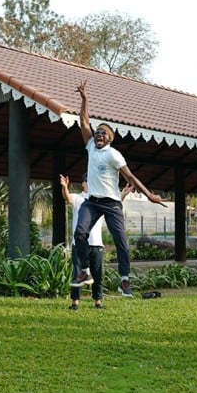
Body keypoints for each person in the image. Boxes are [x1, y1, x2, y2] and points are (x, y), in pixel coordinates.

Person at [70, 80, 166, 298]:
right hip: (92, 201)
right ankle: (84, 271)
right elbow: (83, 121)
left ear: (110, 139)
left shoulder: (114, 155)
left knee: (120, 239)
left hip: (112, 203)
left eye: (103, 134)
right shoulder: (91, 147)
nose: (98, 135)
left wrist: (149, 195)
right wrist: (84, 99)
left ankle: (124, 279)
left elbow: (130, 176)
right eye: (97, 133)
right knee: (80, 233)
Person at [61, 173, 133, 310]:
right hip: (80, 245)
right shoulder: (79, 198)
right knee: (77, 273)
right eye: (88, 181)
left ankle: (98, 301)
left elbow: (116, 202)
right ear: (83, 183)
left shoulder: (101, 200)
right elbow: (67, 197)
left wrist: (123, 193)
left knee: (98, 274)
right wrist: (65, 187)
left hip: (97, 245)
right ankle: (75, 302)